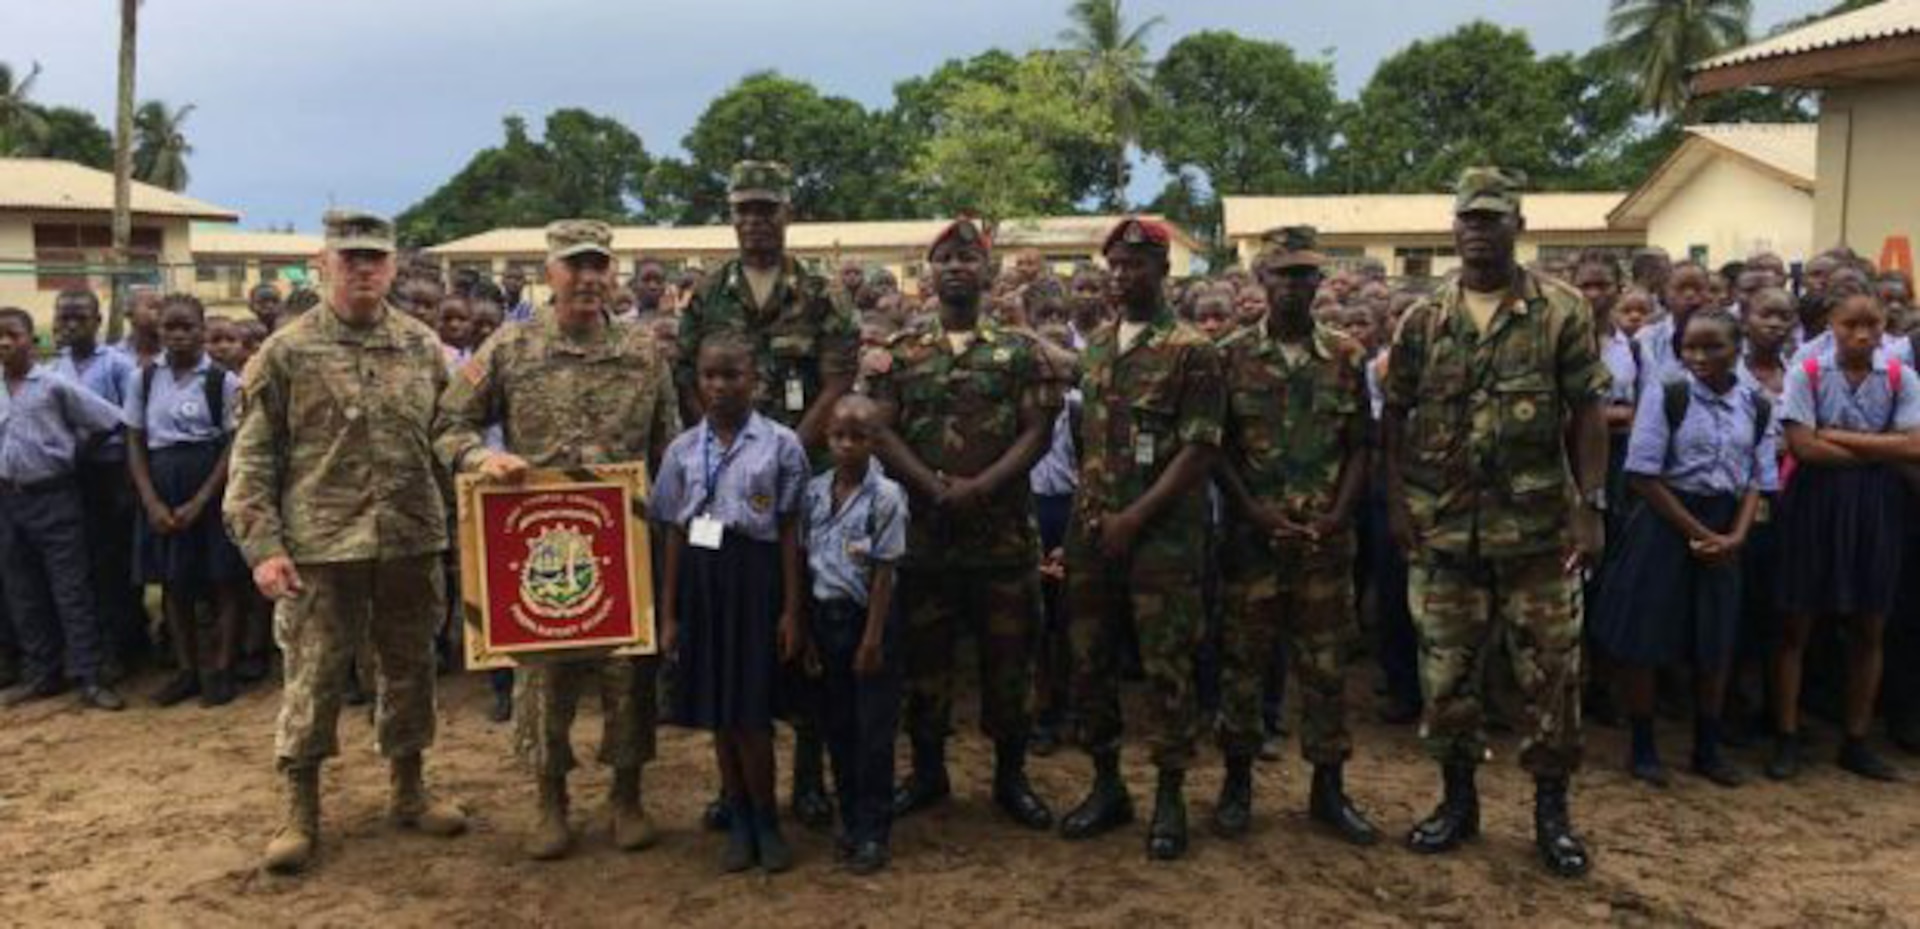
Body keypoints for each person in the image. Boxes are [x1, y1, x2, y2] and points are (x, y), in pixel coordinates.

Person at [1383, 168, 1609, 879]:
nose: (1477, 231)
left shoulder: (1560, 311)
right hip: (1445, 529)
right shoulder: (1423, 319)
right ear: (1453, 229)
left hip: (1537, 531)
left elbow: (1589, 412)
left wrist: (1590, 504)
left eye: (1492, 218)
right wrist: (1396, 500)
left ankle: (1552, 812)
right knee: (1446, 674)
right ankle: (1457, 802)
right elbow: (1395, 414)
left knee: (1553, 674)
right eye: (1467, 219)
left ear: (1518, 225)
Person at [225, 210, 467, 874]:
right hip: (319, 548)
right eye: (350, 256)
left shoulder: (422, 347)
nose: (364, 268)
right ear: (323, 263)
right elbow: (253, 460)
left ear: (393, 266)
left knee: (410, 666)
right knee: (314, 675)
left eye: (375, 257)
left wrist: (477, 464)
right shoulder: (285, 351)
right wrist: (263, 546)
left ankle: (409, 788)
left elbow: (448, 432)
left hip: (409, 539)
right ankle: (299, 809)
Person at [435, 220, 680, 861]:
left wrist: (668, 520)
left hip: (620, 543)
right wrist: (478, 460)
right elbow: (449, 422)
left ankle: (626, 797)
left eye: (599, 265)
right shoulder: (511, 347)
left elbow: (669, 446)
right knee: (544, 679)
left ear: (613, 274)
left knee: (629, 675)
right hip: (535, 541)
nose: (589, 278)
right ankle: (551, 801)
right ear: (551, 273)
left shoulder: (642, 351)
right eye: (575, 265)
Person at [676, 160, 858, 830]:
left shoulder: (821, 291)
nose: (755, 221)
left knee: (802, 620)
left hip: (803, 475)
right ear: (732, 215)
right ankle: (736, 787)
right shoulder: (706, 293)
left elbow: (838, 378)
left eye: (766, 209)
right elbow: (689, 377)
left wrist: (782, 452)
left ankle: (808, 776)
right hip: (723, 487)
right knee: (730, 623)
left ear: (787, 214)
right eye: (743, 209)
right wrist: (731, 447)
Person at [868, 218, 1060, 831]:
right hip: (926, 540)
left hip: (1002, 538)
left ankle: (1011, 777)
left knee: (1010, 664)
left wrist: (981, 486)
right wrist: (930, 486)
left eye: (967, 257)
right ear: (929, 271)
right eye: (944, 257)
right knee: (926, 666)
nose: (955, 267)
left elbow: (1038, 431)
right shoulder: (903, 353)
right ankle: (928, 774)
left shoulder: (1021, 351)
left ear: (988, 270)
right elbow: (880, 428)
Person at [1058, 218, 1224, 862]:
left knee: (1167, 670)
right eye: (1116, 266)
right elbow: (1090, 441)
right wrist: (1099, 515)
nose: (1123, 277)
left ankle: (1169, 796)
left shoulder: (1191, 350)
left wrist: (1136, 517)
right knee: (1088, 661)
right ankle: (1107, 786)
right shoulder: (1098, 346)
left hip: (1164, 542)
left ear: (1163, 271)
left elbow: (1200, 449)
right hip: (1094, 533)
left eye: (1137, 265)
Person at [1213, 225, 1379, 844]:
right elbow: (1215, 449)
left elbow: (1363, 444)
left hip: (1323, 543)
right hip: (1253, 542)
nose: (1293, 285)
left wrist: (1339, 513)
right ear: (1262, 280)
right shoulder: (1228, 356)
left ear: (1319, 282)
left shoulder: (1346, 355)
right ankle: (1236, 785)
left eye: (1304, 274)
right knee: (1243, 666)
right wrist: (1254, 512)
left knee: (1326, 669)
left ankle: (1328, 790)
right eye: (1282, 273)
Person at [1593, 308, 1774, 788]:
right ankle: (1644, 744)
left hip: (1725, 524)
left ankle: (1707, 747)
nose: (1697, 356)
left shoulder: (1756, 402)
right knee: (1645, 638)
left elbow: (1759, 476)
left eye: (1711, 346)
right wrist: (1697, 532)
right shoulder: (1667, 393)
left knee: (1715, 640)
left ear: (1737, 349)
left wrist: (1734, 536)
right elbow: (1643, 474)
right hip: (1665, 520)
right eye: (1689, 347)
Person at [652, 334, 810, 874]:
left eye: (732, 376)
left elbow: (790, 530)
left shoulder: (782, 444)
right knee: (722, 712)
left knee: (753, 714)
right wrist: (669, 613)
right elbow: (675, 531)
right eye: (710, 376)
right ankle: (738, 815)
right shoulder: (681, 450)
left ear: (756, 380)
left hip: (756, 580)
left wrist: (792, 609)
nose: (719, 387)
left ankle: (767, 819)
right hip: (703, 582)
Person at [1770, 290, 1920, 782]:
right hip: (1815, 504)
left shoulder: (1901, 378)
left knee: (1869, 625)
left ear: (1884, 327)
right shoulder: (1807, 372)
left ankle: (1855, 739)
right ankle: (1787, 735)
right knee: (1796, 624)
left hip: (1877, 509)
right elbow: (1804, 449)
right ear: (1829, 325)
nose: (1862, 335)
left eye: (1872, 325)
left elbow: (1915, 447)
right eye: (1850, 324)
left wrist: (1836, 434)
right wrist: (1882, 449)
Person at [0, 306, 128, 712]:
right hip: (9, 501)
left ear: (31, 340)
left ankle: (90, 677)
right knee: (24, 591)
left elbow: (111, 420)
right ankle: (43, 674)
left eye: (12, 334)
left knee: (70, 588)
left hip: (55, 496)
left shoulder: (54, 384)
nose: (4, 343)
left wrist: (75, 454)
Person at [126, 294, 247, 708]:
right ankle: (186, 670)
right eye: (169, 328)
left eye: (187, 328)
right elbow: (135, 440)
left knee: (223, 579)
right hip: (162, 486)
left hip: (210, 486)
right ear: (158, 331)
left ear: (202, 331)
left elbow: (235, 445)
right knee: (175, 583)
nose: (178, 336)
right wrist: (150, 501)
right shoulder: (143, 379)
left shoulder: (222, 381)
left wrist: (201, 500)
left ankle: (222, 669)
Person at [804, 394, 907, 875]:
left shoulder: (885, 497)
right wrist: (806, 631)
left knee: (874, 733)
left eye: (859, 437)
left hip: (870, 624)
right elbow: (805, 563)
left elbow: (885, 573)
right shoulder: (814, 491)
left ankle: (874, 830)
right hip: (827, 623)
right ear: (827, 438)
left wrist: (871, 640)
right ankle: (849, 818)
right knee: (838, 727)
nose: (847, 445)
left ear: (875, 442)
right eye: (839, 436)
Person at [50, 288, 144, 678]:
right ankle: (101, 645)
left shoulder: (118, 365)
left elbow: (130, 420)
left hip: (112, 473)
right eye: (65, 317)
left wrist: (92, 443)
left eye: (80, 317)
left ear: (97, 321)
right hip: (75, 476)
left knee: (117, 563)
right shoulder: (57, 368)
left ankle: (128, 645)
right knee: (86, 563)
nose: (71, 325)